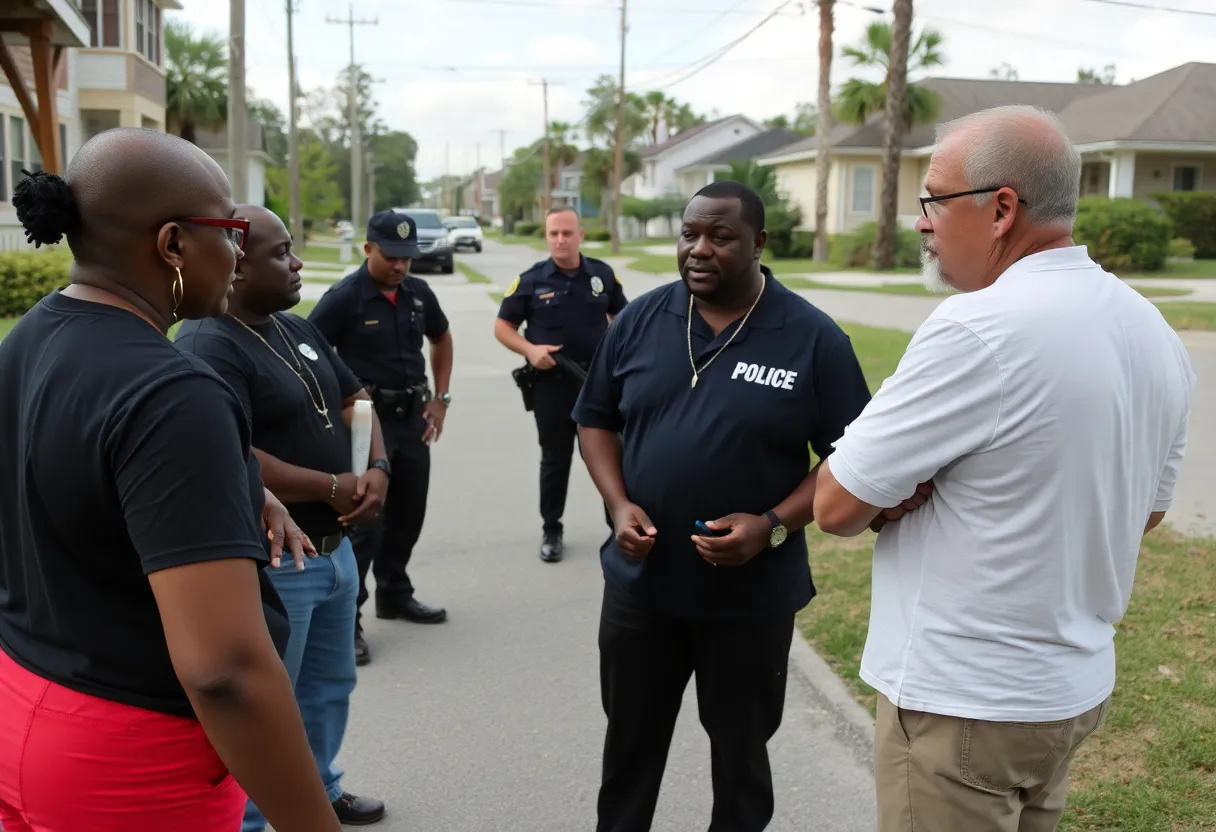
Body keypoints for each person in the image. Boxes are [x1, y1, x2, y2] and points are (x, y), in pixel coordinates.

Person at [812, 105, 1197, 832]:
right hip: (1067, 695)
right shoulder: (1150, 329)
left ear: (1001, 209)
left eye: (934, 199)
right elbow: (1143, 511)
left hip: (963, 703)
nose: (922, 221)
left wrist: (899, 494)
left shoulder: (977, 328)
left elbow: (834, 506)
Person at [0, 129, 343, 832]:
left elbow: (84, 461)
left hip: (23, 699)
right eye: (230, 230)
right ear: (172, 245)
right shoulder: (174, 391)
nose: (239, 252)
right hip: (125, 761)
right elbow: (225, 669)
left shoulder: (33, 336)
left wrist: (244, 480)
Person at [571, 181, 873, 832]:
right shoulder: (640, 321)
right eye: (689, 234)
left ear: (760, 244)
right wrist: (618, 503)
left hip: (749, 599)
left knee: (740, 755)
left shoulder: (812, 340)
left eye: (720, 236)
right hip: (641, 590)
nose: (699, 249)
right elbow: (594, 419)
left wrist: (772, 524)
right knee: (629, 747)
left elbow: (852, 461)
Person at [176, 205, 391, 828]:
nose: (297, 264)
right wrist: (329, 485)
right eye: (281, 254)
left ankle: (318, 789)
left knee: (326, 690)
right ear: (236, 266)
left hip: (335, 550)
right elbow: (229, 447)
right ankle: (252, 819)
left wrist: (375, 466)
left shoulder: (294, 327)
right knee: (267, 708)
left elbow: (356, 396)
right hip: (278, 560)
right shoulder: (206, 342)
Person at [309, 209, 454, 665]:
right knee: (366, 523)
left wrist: (441, 399)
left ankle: (395, 592)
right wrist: (330, 414)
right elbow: (309, 353)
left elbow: (442, 337)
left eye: (407, 258)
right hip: (365, 424)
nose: (400, 266)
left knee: (410, 511)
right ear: (367, 248)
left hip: (412, 419)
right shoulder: (344, 298)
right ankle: (347, 620)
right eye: (391, 256)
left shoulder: (417, 293)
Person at [495, 206, 627, 562]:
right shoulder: (531, 280)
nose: (560, 239)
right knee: (555, 459)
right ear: (546, 236)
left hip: (597, 383)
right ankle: (551, 529)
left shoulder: (602, 274)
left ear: (580, 235)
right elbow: (503, 327)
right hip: (552, 384)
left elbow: (623, 317)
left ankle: (618, 527)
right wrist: (529, 349)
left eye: (567, 233)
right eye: (553, 233)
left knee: (610, 456)